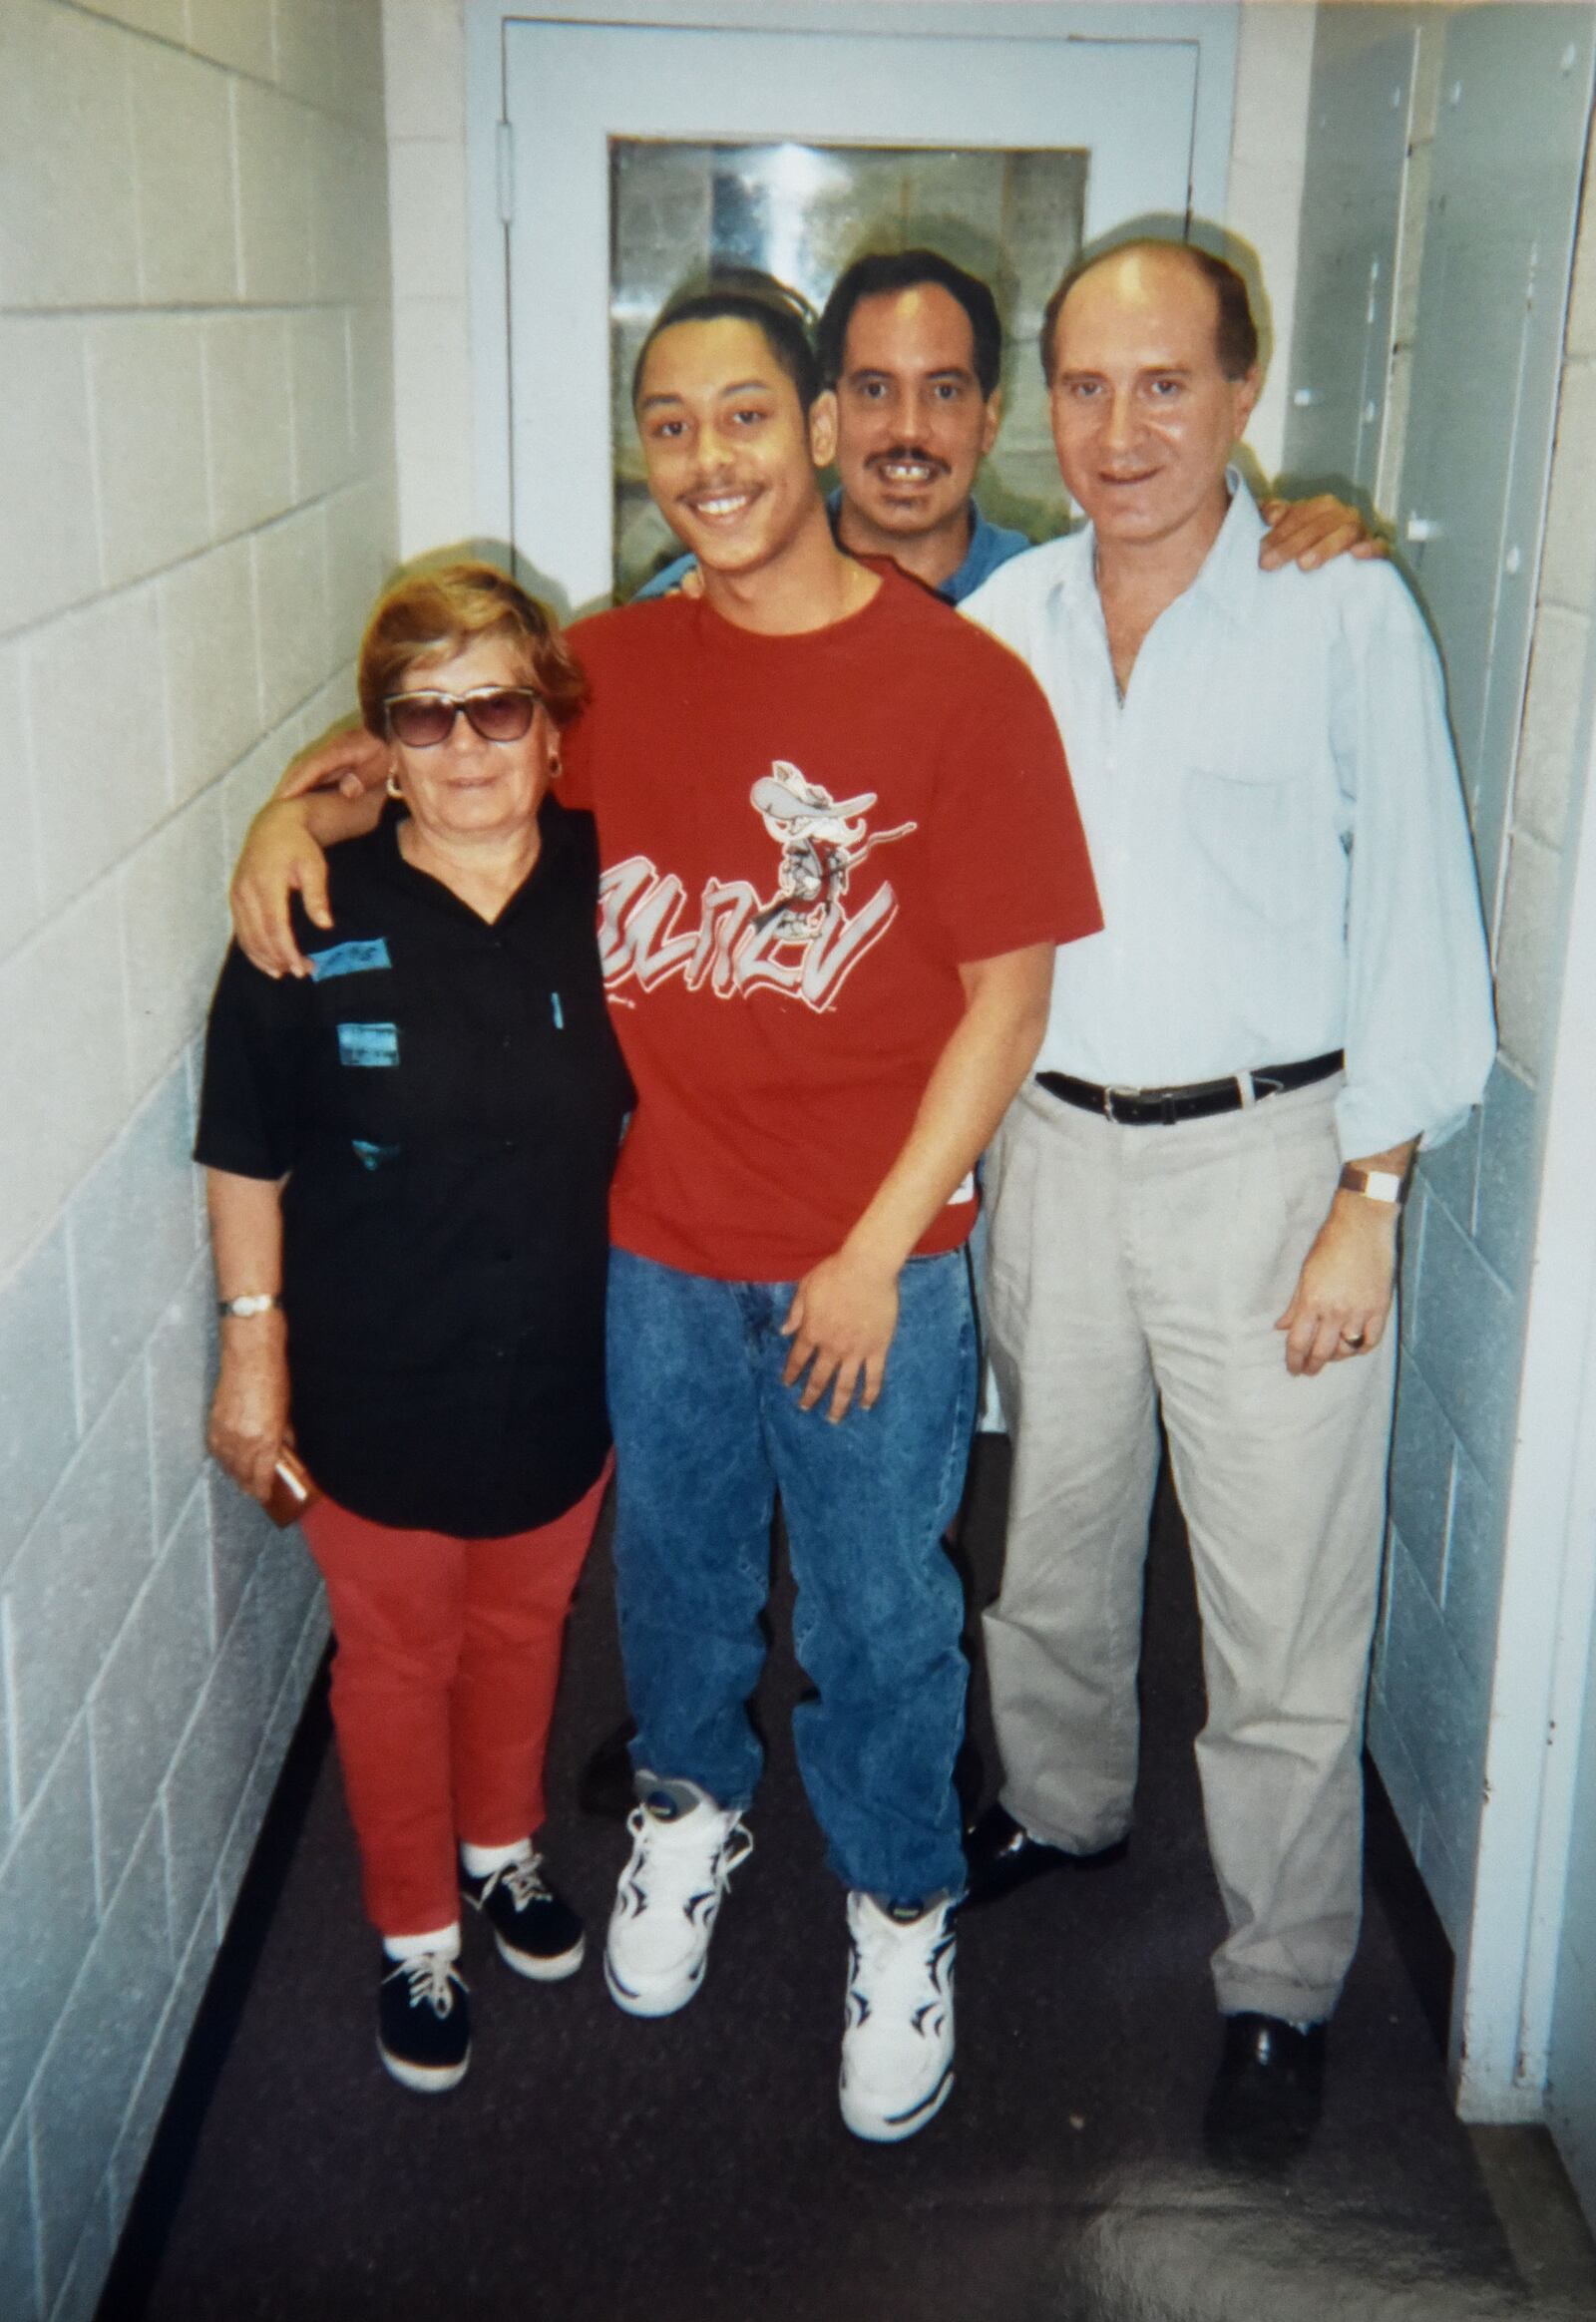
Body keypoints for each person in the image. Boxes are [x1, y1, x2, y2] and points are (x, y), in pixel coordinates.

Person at [227, 278, 1101, 2143]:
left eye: (745, 417)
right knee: (679, 1585)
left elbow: (1011, 1000)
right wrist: (291, 809)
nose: (710, 459)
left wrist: (873, 1246)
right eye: (672, 425)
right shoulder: (611, 669)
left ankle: (898, 1905)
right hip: (656, 1245)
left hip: (880, 1256)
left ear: (815, 427)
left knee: (879, 1612)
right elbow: (429, 746)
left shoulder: (963, 683)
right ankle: (689, 1812)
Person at [956, 239, 1496, 2164]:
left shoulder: (1340, 612)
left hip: (1278, 1162)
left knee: (1283, 1611)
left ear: (1244, 388)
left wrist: (1372, 1192)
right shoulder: (1006, 613)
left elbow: (1423, 918)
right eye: (1085, 389)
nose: (1119, 432)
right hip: (1054, 1148)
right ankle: (1061, 1797)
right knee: (1058, 1533)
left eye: (1163, 384)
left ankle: (1279, 1973)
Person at [199, 564, 631, 2096]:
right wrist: (253, 1344)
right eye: (424, 716)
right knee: (396, 1657)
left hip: (568, 1369)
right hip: (375, 1378)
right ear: (380, 744)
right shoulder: (308, 904)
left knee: (522, 1627)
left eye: (498, 705)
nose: (465, 745)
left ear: (552, 726)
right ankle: (413, 1934)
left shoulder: (615, 879)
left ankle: (502, 1851)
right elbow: (245, 1140)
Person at [636, 247, 1380, 607]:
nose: (908, 430)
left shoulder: (1058, 603)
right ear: (825, 417)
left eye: (945, 391)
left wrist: (1273, 530)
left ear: (990, 418)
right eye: (874, 389)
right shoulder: (704, 594)